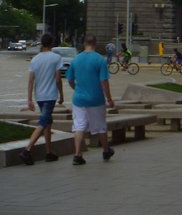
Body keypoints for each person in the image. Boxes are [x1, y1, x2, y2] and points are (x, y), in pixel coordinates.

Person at [66, 34, 115, 165]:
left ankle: (77, 155)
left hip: (79, 99)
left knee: (79, 126)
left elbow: (70, 80)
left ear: (84, 43)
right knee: (100, 126)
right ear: (95, 43)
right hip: (96, 99)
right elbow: (104, 81)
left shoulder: (76, 60)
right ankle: (105, 151)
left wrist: (77, 89)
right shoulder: (100, 60)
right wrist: (109, 98)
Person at [19, 33, 64, 165]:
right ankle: (27, 150)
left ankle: (49, 152)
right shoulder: (56, 58)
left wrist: (29, 99)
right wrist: (61, 95)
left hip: (39, 96)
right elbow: (58, 79)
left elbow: (31, 81)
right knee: (43, 122)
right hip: (50, 96)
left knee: (48, 123)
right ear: (51, 43)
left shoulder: (35, 59)